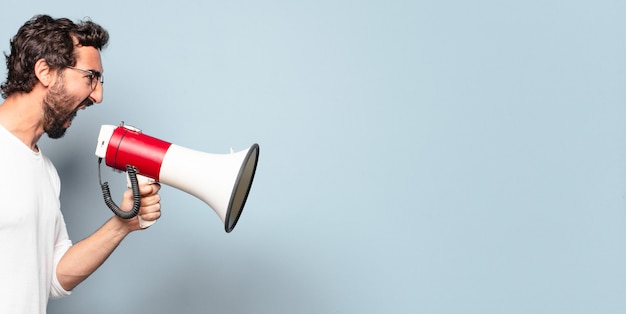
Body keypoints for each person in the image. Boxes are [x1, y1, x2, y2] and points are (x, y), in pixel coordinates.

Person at [0, 14, 161, 313]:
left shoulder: (45, 171)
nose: (98, 96)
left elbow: (54, 276)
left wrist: (122, 225)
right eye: (90, 77)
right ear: (45, 71)